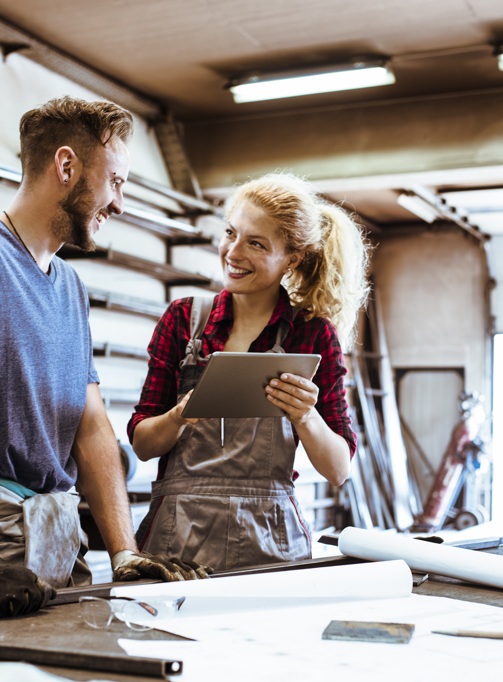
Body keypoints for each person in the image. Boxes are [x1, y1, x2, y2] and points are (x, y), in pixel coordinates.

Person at [0, 97, 206, 619]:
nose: (119, 204)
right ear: (65, 166)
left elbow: (92, 427)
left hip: (59, 532)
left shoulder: (70, 287)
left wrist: (124, 552)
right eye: (116, 182)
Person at [129, 173, 370, 571]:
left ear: (291, 258)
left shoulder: (311, 334)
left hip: (271, 542)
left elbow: (338, 469)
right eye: (230, 233)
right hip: (177, 541)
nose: (232, 252)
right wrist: (179, 415)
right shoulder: (183, 321)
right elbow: (141, 443)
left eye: (255, 243)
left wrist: (305, 416)